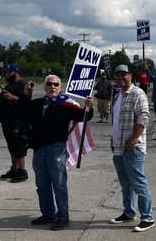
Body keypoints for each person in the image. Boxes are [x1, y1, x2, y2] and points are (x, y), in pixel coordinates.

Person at [19, 74, 94, 231]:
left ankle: (62, 216)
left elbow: (83, 116)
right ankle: (47, 214)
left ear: (60, 88)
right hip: (39, 150)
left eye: (55, 84)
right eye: (49, 84)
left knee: (59, 184)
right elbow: (23, 111)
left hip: (56, 149)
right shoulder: (38, 103)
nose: (52, 87)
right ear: (45, 87)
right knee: (42, 184)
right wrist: (27, 93)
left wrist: (88, 106)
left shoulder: (66, 105)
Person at [108, 65, 155, 232]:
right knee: (125, 183)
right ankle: (129, 212)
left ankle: (148, 218)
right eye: (117, 74)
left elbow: (144, 117)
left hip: (132, 147)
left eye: (123, 74)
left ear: (130, 75)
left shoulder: (137, 93)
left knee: (138, 183)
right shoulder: (118, 94)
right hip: (118, 146)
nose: (120, 77)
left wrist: (134, 139)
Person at [0, 64, 31, 183]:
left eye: (8, 72)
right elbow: (2, 103)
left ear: (15, 72)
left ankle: (22, 171)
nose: (6, 74)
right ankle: (14, 169)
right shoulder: (9, 85)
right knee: (12, 147)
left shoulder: (24, 85)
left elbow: (27, 102)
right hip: (7, 121)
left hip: (18, 122)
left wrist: (12, 97)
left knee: (19, 147)